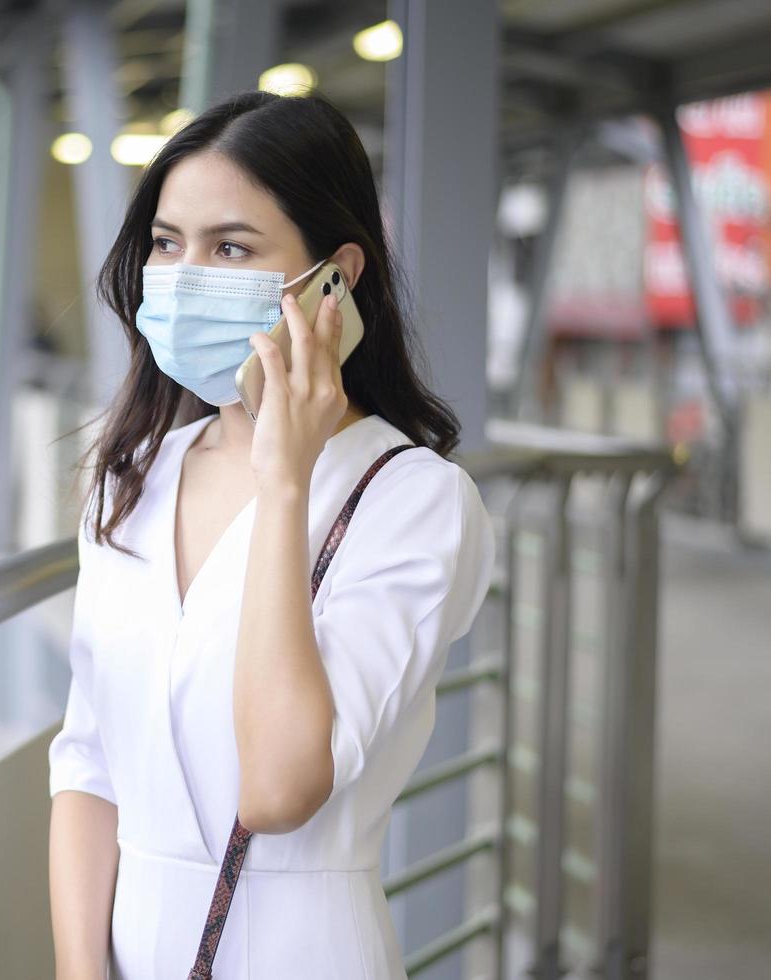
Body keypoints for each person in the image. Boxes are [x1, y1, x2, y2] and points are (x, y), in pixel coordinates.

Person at [47, 90, 496, 980]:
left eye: (231, 247)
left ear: (337, 274)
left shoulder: (413, 501)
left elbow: (279, 788)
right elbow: (89, 764)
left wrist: (283, 482)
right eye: (168, 244)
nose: (182, 275)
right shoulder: (133, 475)